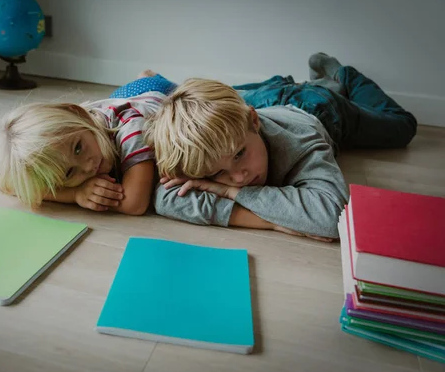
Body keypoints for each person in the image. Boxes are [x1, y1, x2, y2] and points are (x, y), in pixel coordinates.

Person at [142, 53, 417, 240]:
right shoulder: (223, 139)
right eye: (217, 174)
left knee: (403, 126)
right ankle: (169, 87)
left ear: (253, 121)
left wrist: (229, 192)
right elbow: (161, 197)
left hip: (321, 106)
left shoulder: (302, 143)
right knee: (223, 99)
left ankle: (343, 75)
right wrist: (270, 220)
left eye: (240, 155)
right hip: (263, 97)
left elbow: (333, 218)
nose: (239, 177)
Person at [0, 77, 165, 216]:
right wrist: (76, 193)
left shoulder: (131, 128)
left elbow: (134, 203)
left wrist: (71, 195)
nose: (87, 166)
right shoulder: (77, 134)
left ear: (79, 115)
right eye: (69, 173)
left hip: (158, 98)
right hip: (116, 104)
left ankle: (146, 75)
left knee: (150, 86)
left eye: (78, 148)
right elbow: (12, 187)